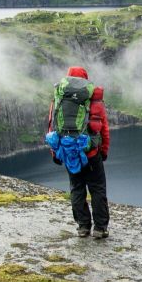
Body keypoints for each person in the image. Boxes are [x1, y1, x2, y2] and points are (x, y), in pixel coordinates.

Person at [46, 66, 111, 238]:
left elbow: (52, 126)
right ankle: (100, 228)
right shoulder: (92, 98)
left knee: (76, 188)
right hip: (90, 153)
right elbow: (103, 129)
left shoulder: (59, 97)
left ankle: (83, 227)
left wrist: (55, 152)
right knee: (97, 188)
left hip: (69, 153)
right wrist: (103, 151)